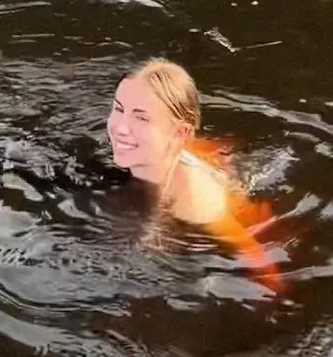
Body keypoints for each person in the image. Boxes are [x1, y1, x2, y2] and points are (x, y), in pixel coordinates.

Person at [107, 58, 285, 292]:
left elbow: (256, 256)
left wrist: (279, 301)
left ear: (179, 132)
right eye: (119, 109)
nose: (120, 127)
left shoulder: (197, 205)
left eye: (141, 118)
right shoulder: (162, 148)